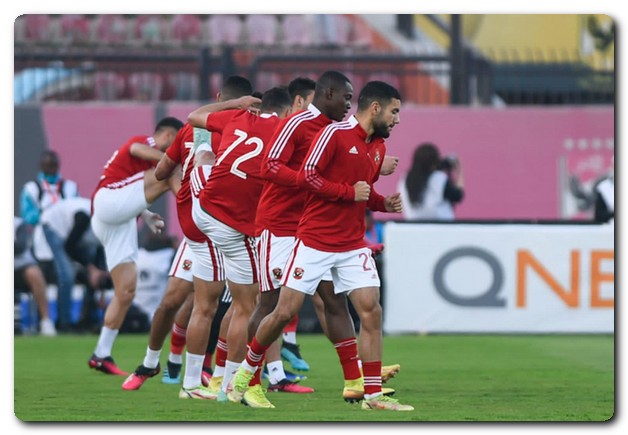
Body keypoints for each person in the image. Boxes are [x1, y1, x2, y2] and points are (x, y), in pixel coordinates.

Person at [229, 81, 414, 411]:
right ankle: (248, 377)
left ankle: (362, 387)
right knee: (277, 307)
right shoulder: (312, 128)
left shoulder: (367, 142)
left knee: (350, 305)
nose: (348, 102)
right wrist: (344, 191)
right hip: (293, 230)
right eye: (345, 96)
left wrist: (382, 201)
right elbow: (287, 170)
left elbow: (360, 190)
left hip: (340, 237)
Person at [120, 76, 254, 393]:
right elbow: (166, 170)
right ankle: (153, 364)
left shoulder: (222, 132)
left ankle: (207, 375)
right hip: (207, 228)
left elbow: (168, 170)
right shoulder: (203, 130)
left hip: (212, 227)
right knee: (177, 302)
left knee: (211, 304)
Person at [185, 88, 292, 401]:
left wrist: (235, 103)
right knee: (247, 306)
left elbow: (194, 118)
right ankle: (232, 385)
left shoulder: (238, 116)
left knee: (206, 304)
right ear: (286, 112)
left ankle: (191, 384)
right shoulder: (283, 132)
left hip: (202, 209)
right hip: (229, 223)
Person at [88, 116, 184, 376]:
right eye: (176, 141)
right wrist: (172, 160)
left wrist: (147, 214)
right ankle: (197, 211)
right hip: (108, 203)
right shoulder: (147, 142)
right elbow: (134, 149)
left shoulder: (143, 164)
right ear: (166, 135)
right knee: (168, 172)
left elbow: (132, 190)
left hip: (116, 219)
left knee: (126, 291)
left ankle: (101, 353)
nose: (175, 148)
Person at [39, 196, 110, 332]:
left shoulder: (108, 231)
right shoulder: (84, 217)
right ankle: (64, 323)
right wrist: (91, 269)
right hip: (54, 225)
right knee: (67, 274)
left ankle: (87, 319)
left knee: (94, 277)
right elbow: (69, 246)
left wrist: (99, 278)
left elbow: (99, 263)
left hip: (74, 237)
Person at [20, 150, 79, 289]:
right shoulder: (31, 189)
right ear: (41, 166)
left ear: (58, 165)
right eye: (47, 165)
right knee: (41, 286)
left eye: (53, 164)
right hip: (42, 249)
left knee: (68, 282)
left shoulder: (70, 188)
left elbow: (78, 214)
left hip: (66, 246)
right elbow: (28, 217)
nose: (51, 168)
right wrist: (47, 212)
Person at [397, 142, 464, 221]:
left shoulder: (404, 179)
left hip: (413, 226)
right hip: (440, 226)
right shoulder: (438, 178)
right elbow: (458, 196)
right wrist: (458, 170)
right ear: (434, 162)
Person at [14, 217, 57, 336]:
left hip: (19, 268)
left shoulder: (18, 223)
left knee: (34, 273)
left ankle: (45, 321)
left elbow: (19, 247)